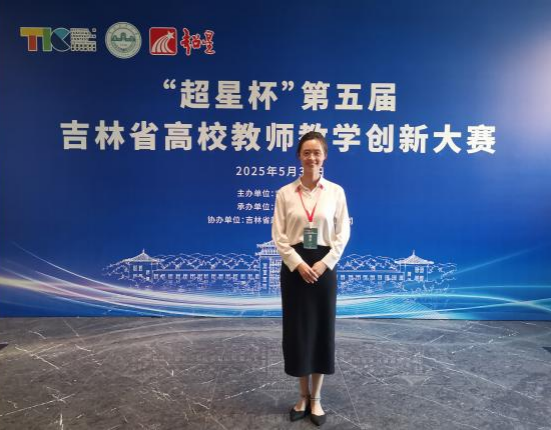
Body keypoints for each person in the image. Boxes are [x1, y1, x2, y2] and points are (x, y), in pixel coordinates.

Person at [271, 131, 351, 426]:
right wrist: (298, 264)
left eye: (317, 152)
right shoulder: (285, 193)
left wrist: (324, 263)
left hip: (323, 268)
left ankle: (316, 399)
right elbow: (279, 236)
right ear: (299, 156)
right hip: (295, 269)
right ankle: (302, 396)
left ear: (325, 156)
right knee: (298, 332)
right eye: (306, 152)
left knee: (320, 331)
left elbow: (342, 234)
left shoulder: (336, 192)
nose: (312, 157)